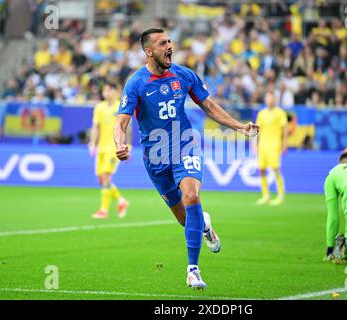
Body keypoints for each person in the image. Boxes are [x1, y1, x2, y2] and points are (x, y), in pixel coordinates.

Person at [114, 28, 259, 289]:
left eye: (169, 41)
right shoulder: (136, 83)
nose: (169, 45)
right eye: (162, 43)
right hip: (155, 156)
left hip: (184, 145)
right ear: (149, 51)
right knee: (185, 218)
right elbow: (121, 121)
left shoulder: (184, 75)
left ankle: (193, 270)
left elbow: (210, 106)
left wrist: (240, 127)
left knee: (192, 196)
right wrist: (119, 143)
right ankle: (204, 224)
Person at [89, 81, 129, 219]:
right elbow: (95, 127)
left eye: (109, 90)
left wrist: (127, 144)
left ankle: (103, 210)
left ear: (115, 91)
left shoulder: (120, 106)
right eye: (104, 90)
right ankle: (121, 200)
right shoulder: (99, 107)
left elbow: (126, 126)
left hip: (114, 147)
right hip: (101, 147)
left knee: (106, 176)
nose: (106, 93)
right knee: (101, 179)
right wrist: (92, 143)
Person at [255, 89, 288, 205]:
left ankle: (280, 195)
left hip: (274, 144)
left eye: (272, 98)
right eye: (268, 98)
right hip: (262, 145)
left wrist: (285, 144)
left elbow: (285, 130)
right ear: (265, 99)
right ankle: (265, 195)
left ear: (275, 99)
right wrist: (255, 145)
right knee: (261, 170)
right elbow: (257, 130)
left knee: (275, 169)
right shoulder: (261, 113)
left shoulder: (280, 113)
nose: (270, 100)